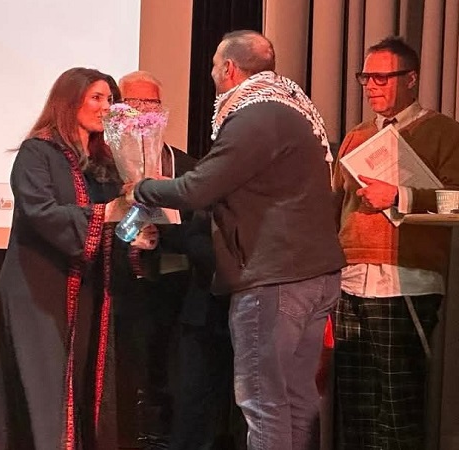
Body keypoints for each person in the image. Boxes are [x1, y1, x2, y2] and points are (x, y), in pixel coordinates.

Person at [127, 30, 346, 450]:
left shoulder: (255, 114)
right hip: (314, 275)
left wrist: (142, 188)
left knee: (264, 402)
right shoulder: (293, 108)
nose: (212, 75)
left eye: (213, 66)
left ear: (228, 69)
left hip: (275, 277)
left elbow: (197, 189)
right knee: (296, 399)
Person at [0, 67, 156, 450]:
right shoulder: (38, 152)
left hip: (88, 292)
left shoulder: (104, 162)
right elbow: (41, 212)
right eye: (96, 98)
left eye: (110, 99)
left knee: (83, 387)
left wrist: (136, 234)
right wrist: (107, 213)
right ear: (69, 102)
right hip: (39, 289)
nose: (105, 107)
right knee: (46, 392)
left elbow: (114, 226)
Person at [331, 36, 459, 449]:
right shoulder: (357, 135)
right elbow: (336, 203)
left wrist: (402, 195)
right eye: (365, 77)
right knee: (356, 405)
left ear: (411, 79)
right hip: (351, 278)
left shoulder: (443, 132)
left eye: (381, 77)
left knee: (398, 406)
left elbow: (456, 200)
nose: (371, 85)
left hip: (406, 281)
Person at [114, 70, 235, 450]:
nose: (142, 113)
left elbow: (204, 233)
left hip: (179, 293)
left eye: (150, 103)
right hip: (118, 292)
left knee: (178, 388)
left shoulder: (189, 168)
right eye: (132, 104)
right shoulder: (101, 166)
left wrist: (164, 230)